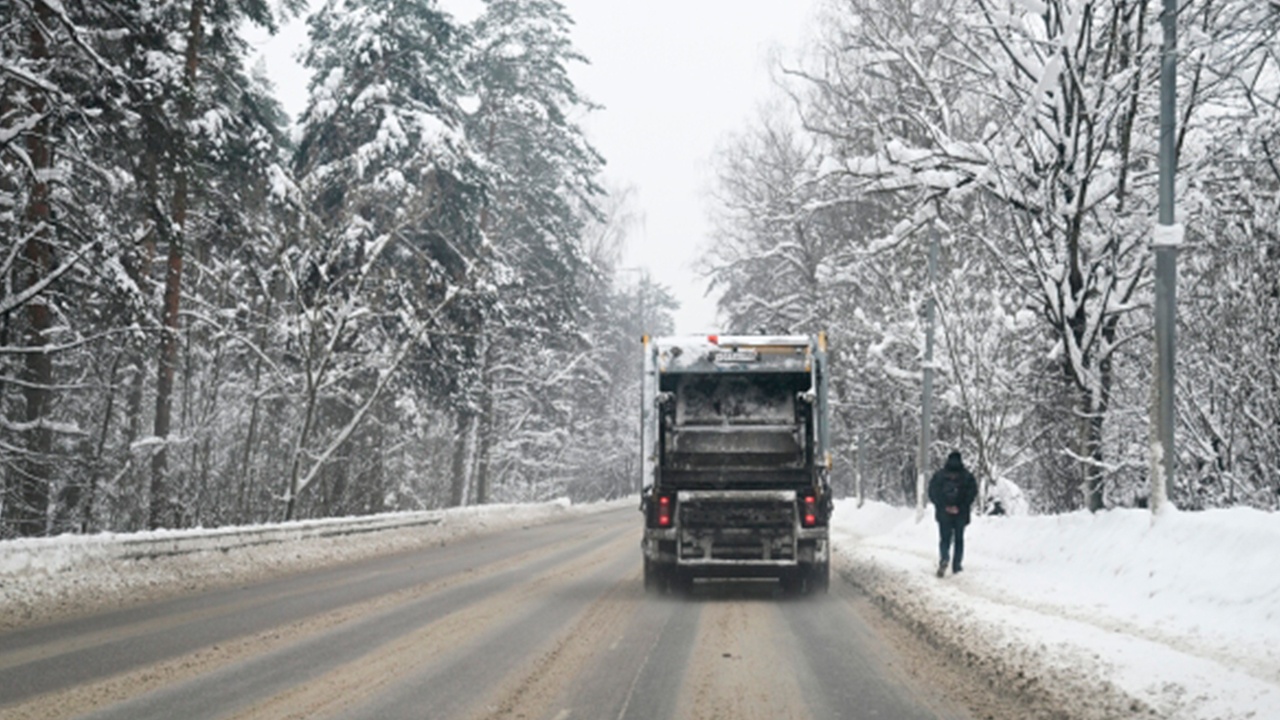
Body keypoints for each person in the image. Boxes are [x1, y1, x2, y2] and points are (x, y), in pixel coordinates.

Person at [927, 450, 979, 577]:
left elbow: (932, 492)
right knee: (959, 539)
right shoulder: (967, 476)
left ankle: (944, 558)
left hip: (944, 513)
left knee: (944, 539)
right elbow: (972, 493)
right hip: (960, 514)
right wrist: (960, 506)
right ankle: (957, 566)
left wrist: (943, 506)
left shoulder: (939, 475)